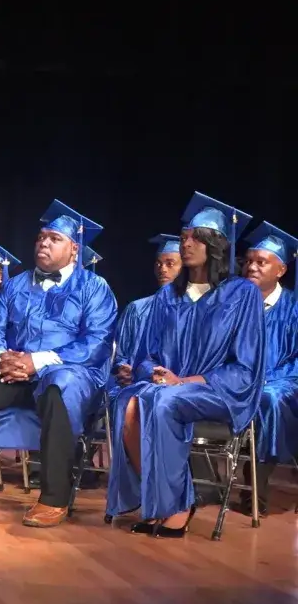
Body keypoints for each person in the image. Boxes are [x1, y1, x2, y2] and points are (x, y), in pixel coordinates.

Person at [0, 199, 117, 527]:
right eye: (40, 237)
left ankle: (54, 498)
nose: (43, 242)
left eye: (54, 239)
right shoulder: (15, 286)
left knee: (60, 386)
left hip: (69, 373)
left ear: (74, 249)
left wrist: (36, 361)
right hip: (16, 375)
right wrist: (1, 358)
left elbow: (95, 345)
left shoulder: (94, 288)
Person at [106, 193, 266, 538]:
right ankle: (161, 499)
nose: (186, 244)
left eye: (196, 238)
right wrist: (156, 373)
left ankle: (177, 505)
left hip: (221, 391)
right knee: (129, 401)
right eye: (183, 238)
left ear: (217, 244)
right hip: (171, 386)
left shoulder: (242, 294)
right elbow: (145, 355)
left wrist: (187, 381)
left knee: (164, 401)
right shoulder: (168, 297)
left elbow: (246, 365)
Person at [240, 221, 298, 515]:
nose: (252, 267)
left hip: (286, 383)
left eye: (261, 262)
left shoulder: (294, 308)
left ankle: (256, 491)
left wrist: (267, 379)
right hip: (240, 381)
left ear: (281, 270)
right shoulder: (234, 305)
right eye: (249, 261)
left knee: (269, 399)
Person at [111, 236, 182, 397]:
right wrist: (124, 369)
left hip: (177, 385)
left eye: (170, 264)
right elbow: (121, 354)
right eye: (158, 263)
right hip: (136, 385)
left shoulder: (191, 309)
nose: (162, 269)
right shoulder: (137, 308)